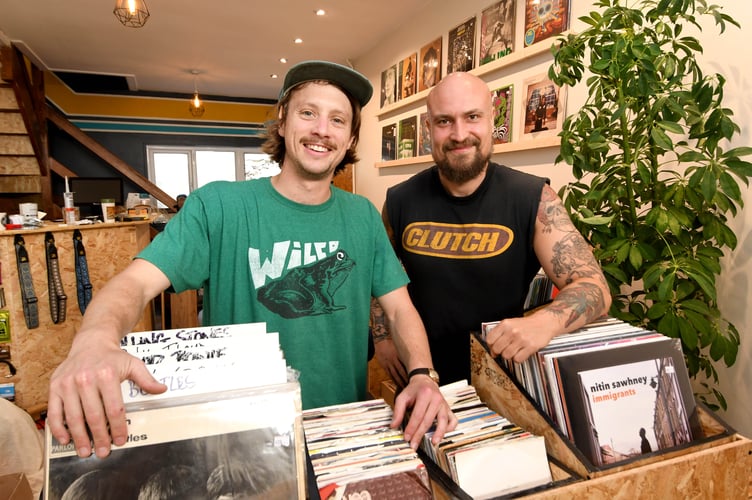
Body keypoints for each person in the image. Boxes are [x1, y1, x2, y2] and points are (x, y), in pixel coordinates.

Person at [47, 60, 456, 460]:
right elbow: (135, 284)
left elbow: (400, 309)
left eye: (337, 120)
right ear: (282, 121)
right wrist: (94, 341)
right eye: (308, 113)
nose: (321, 130)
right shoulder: (219, 205)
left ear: (350, 140)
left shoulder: (363, 215)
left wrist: (423, 374)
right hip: (238, 441)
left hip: (336, 431)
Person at [371, 72, 611, 387]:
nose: (459, 134)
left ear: (491, 120)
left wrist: (545, 322)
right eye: (444, 121)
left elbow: (596, 288)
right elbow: (378, 278)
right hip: (422, 373)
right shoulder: (400, 199)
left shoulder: (533, 198)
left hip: (502, 375)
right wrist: (382, 337)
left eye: (472, 117)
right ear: (429, 129)